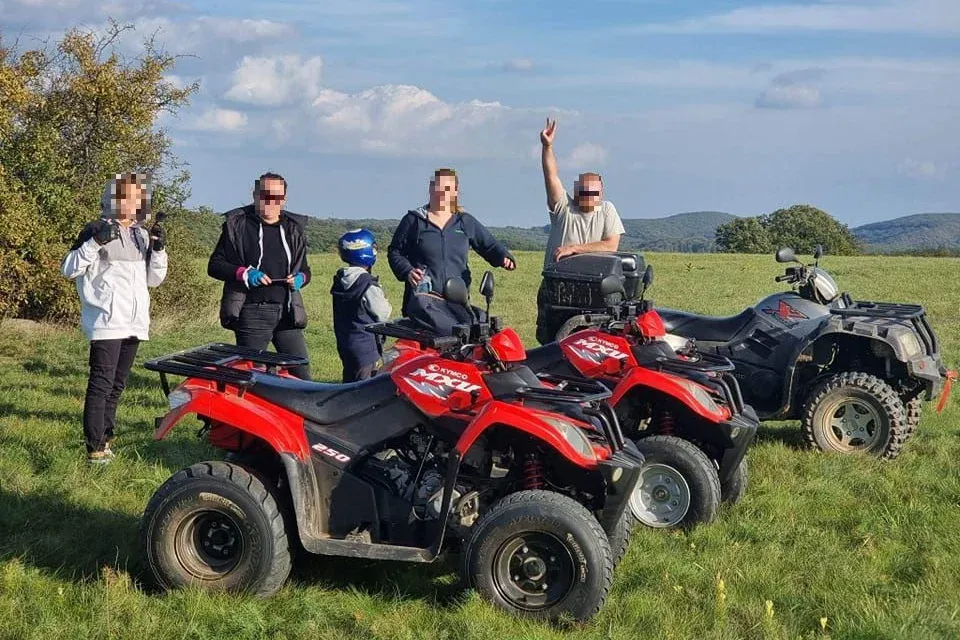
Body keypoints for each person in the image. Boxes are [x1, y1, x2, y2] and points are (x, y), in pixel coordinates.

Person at [61, 172, 168, 464]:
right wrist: (94, 242)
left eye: (136, 197)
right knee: (101, 384)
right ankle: (95, 448)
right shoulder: (95, 228)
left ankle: (106, 440)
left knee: (117, 385)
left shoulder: (141, 234)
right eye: (124, 196)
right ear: (112, 198)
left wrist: (158, 250)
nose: (130, 202)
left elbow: (154, 280)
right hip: (107, 320)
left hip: (135, 322)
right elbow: (68, 269)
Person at [207, 172, 312, 379]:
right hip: (252, 312)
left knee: (301, 373)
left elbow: (306, 271)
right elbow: (215, 265)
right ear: (255, 195)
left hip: (287, 312)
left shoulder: (293, 228)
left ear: (284, 199)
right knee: (251, 376)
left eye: (276, 197)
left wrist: (300, 279)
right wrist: (244, 273)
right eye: (265, 195)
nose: (270, 202)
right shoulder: (237, 225)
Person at [536, 117, 625, 343]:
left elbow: (610, 245)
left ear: (601, 193)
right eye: (584, 192)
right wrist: (547, 147)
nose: (588, 197)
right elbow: (551, 176)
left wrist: (574, 249)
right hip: (556, 288)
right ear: (576, 191)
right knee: (550, 344)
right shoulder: (563, 207)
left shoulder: (607, 210)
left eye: (593, 193)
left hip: (592, 290)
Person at [387, 168, 516, 317]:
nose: (443, 193)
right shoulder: (413, 221)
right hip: (422, 303)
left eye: (447, 189)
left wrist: (503, 256)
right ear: (431, 188)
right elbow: (395, 252)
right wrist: (407, 271)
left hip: (457, 302)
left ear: (455, 192)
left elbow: (488, 244)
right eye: (439, 187)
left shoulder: (464, 221)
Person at [331, 229, 393, 382]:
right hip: (366, 347)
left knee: (349, 382)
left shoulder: (341, 279)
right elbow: (383, 313)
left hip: (346, 343)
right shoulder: (367, 284)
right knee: (364, 387)